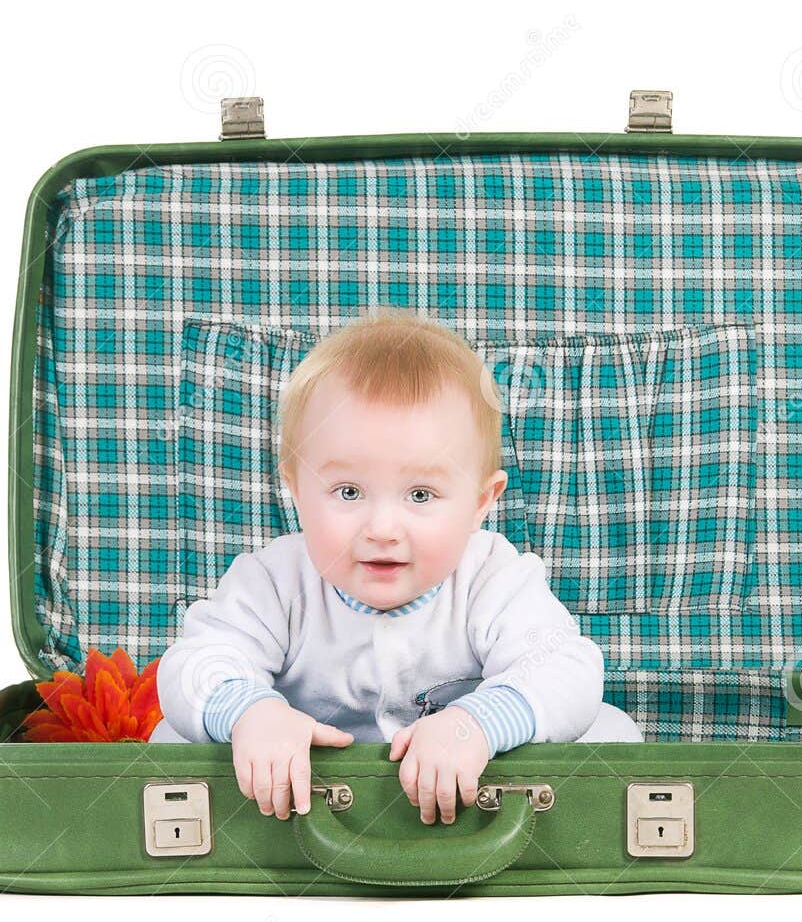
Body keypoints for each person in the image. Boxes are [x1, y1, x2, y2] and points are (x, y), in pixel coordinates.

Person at [153, 307, 644, 825]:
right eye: (348, 491)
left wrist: (476, 723)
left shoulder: (492, 575)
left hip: (469, 789)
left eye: (420, 494)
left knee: (611, 731)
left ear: (481, 502)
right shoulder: (273, 580)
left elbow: (566, 666)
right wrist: (254, 712)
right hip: (298, 797)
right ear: (296, 490)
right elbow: (194, 662)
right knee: (170, 737)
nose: (383, 527)